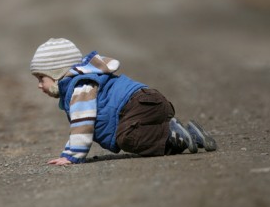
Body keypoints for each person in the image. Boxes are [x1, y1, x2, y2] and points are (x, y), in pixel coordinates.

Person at [30, 38, 217, 166]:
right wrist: (67, 153)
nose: (39, 86)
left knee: (127, 138)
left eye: (41, 79)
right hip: (149, 101)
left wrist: (72, 156)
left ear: (56, 74)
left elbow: (83, 124)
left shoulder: (80, 88)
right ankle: (189, 135)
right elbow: (79, 127)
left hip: (138, 104)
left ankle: (171, 134)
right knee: (133, 134)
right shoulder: (80, 84)